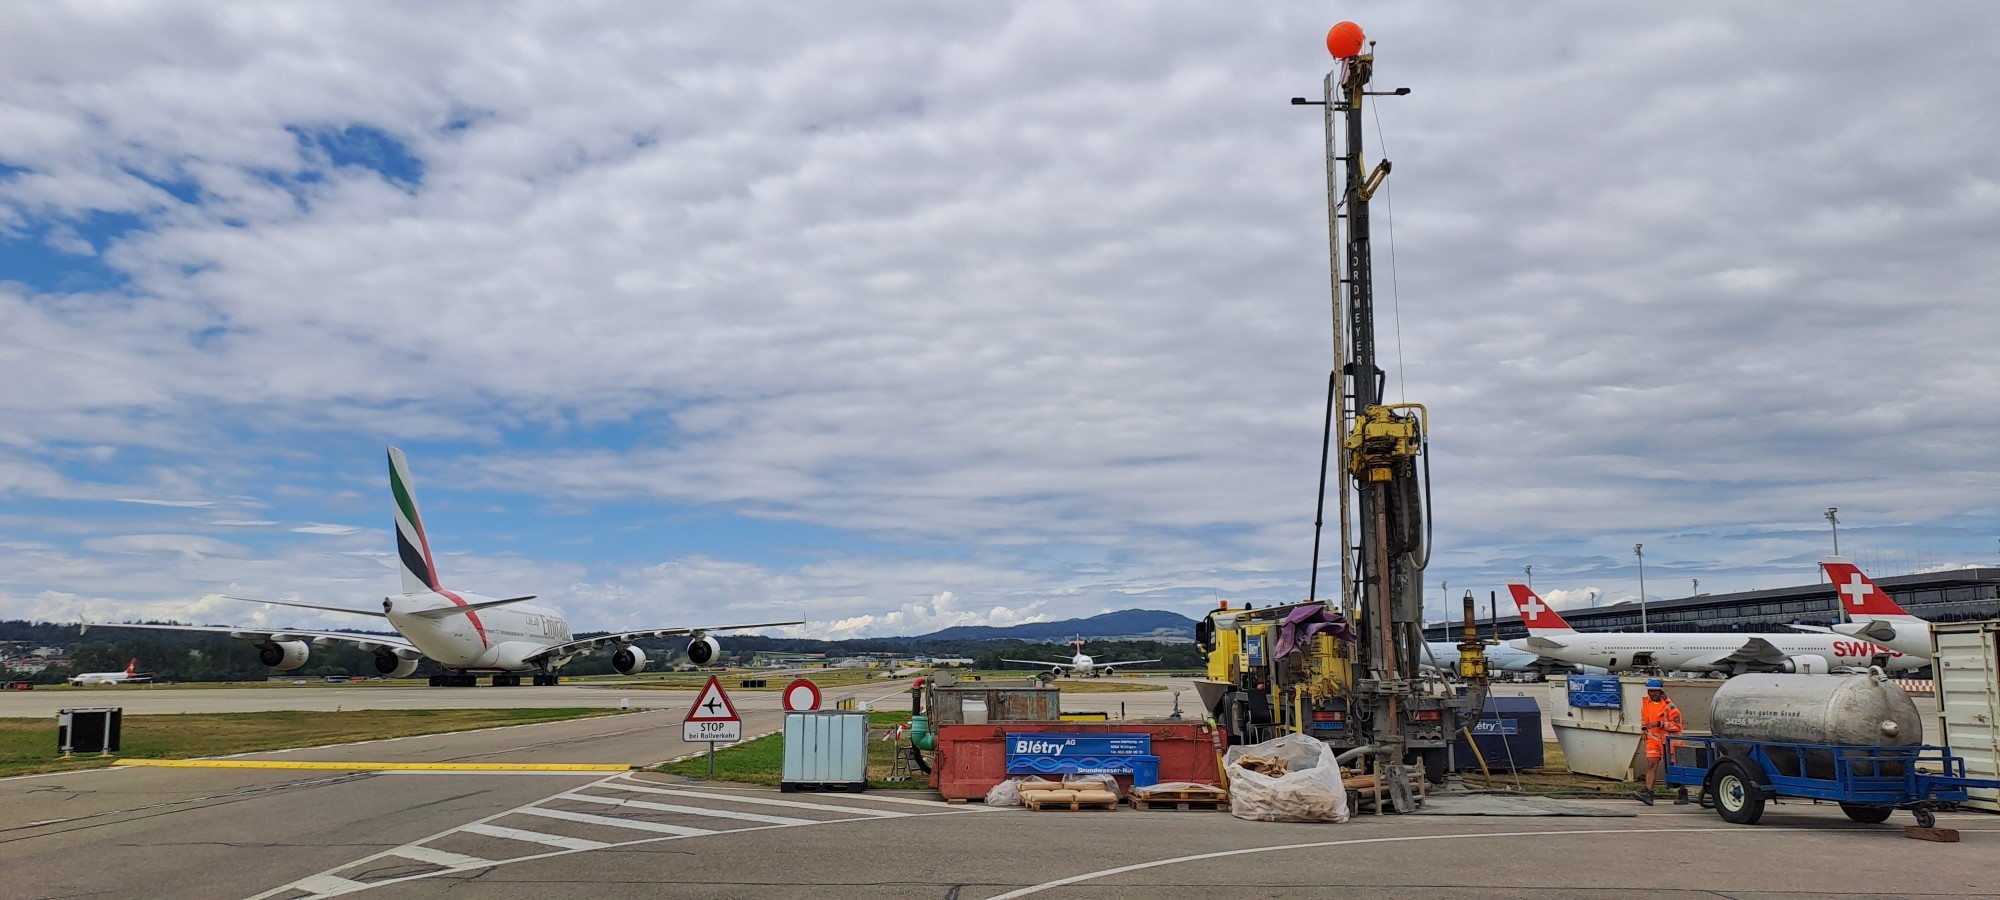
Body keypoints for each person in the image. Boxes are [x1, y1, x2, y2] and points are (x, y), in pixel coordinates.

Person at [1634, 678, 1684, 806]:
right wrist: (1644, 728)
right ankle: (1648, 793)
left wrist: (1660, 724)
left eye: (1656, 691)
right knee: (1651, 764)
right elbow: (1644, 718)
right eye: (1651, 691)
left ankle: (1683, 793)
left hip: (1670, 741)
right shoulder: (1646, 703)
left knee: (1675, 768)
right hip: (1653, 739)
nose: (1653, 694)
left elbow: (1677, 725)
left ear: (1661, 691)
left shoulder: (1669, 706)